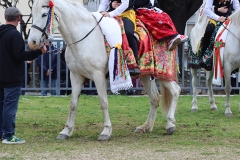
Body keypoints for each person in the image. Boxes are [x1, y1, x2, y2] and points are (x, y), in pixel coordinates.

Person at [0, 7, 47, 144]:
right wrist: (39, 52)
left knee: (1, 105)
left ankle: (2, 133)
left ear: (5, 17)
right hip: (12, 77)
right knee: (9, 107)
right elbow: (20, 55)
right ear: (19, 18)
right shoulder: (14, 35)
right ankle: (8, 135)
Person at [108, 0, 188, 51]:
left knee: (164, 16)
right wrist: (111, 5)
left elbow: (153, 3)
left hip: (143, 9)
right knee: (152, 18)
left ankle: (172, 36)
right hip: (135, 10)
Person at [97, 0, 140, 75]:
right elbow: (103, 3)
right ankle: (106, 63)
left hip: (126, 13)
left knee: (128, 32)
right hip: (111, 14)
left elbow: (125, 4)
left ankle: (134, 64)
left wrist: (110, 14)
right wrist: (99, 13)